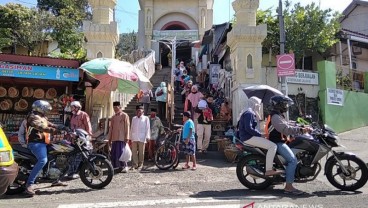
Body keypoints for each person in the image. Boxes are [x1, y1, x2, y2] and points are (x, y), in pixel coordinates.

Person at [268, 95, 312, 195]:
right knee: (292, 160)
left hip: (282, 141)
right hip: (277, 142)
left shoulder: (279, 115)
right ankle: (288, 187)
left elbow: (289, 124)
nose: (286, 106)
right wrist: (301, 130)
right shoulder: (275, 116)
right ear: (278, 105)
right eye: (284, 104)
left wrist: (303, 126)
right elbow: (285, 129)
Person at [25, 100, 65, 195]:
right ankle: (29, 184)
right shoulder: (33, 116)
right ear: (40, 108)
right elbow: (41, 127)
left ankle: (55, 179)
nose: (47, 111)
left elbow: (49, 124)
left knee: (55, 155)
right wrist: (54, 131)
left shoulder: (42, 116)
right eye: (46, 109)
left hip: (44, 142)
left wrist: (61, 127)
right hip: (35, 143)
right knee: (43, 160)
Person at [238, 96, 282, 177]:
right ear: (254, 104)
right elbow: (249, 128)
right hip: (248, 137)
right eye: (258, 104)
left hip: (247, 137)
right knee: (273, 146)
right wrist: (261, 135)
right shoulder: (249, 113)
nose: (258, 106)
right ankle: (269, 170)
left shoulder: (249, 112)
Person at [67, 101, 92, 179]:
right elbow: (72, 128)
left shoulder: (83, 114)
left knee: (85, 154)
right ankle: (72, 172)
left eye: (72, 107)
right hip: (75, 139)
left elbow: (88, 125)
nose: (71, 109)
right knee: (74, 155)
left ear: (77, 107)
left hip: (82, 138)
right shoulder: (73, 116)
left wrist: (89, 135)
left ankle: (88, 170)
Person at [107, 101, 130, 173]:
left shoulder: (124, 115)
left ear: (120, 107)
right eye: (114, 108)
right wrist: (109, 138)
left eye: (116, 108)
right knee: (114, 153)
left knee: (121, 152)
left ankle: (124, 166)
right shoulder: (113, 117)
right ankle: (116, 167)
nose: (115, 109)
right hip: (114, 137)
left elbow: (127, 126)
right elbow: (111, 128)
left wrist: (127, 137)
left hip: (122, 137)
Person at [130, 105, 150, 170]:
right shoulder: (134, 118)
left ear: (143, 111)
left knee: (141, 152)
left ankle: (140, 164)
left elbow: (147, 128)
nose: (138, 111)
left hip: (142, 137)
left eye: (140, 110)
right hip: (134, 136)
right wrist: (130, 137)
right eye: (137, 110)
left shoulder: (146, 118)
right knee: (134, 151)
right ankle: (134, 164)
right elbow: (132, 127)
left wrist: (147, 136)